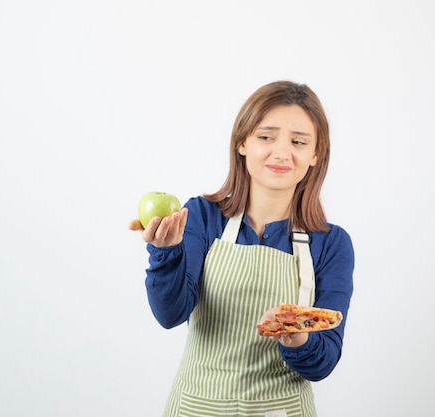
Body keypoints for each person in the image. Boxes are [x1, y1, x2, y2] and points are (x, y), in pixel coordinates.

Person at [129, 80, 354, 417]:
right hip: (196, 408)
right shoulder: (202, 218)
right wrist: (167, 252)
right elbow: (169, 314)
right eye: (266, 137)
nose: (281, 152)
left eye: (298, 142)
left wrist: (297, 338)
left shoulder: (331, 243)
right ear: (242, 143)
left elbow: (325, 361)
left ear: (315, 154)